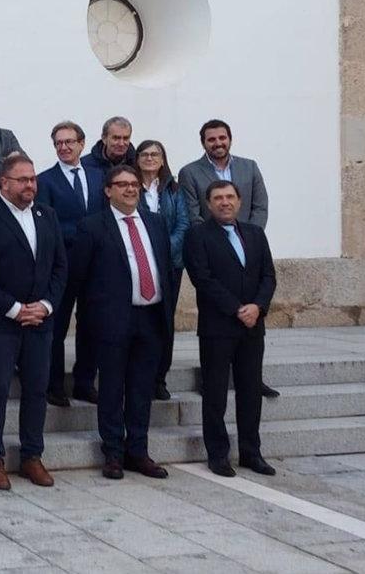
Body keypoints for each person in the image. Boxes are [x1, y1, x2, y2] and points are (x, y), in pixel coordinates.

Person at [0, 154, 67, 491]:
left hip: (40, 319)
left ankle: (31, 456)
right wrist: (13, 308)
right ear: (4, 183)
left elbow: (60, 267)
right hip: (0, 322)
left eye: (33, 179)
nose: (30, 185)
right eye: (22, 180)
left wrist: (47, 305)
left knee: (37, 389)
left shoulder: (46, 214)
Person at [71, 166, 178, 481]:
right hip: (112, 321)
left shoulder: (156, 223)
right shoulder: (92, 226)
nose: (130, 189)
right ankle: (114, 453)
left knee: (142, 389)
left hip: (151, 317)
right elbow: (80, 277)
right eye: (122, 185)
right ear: (108, 190)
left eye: (134, 184)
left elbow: (165, 268)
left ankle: (138, 451)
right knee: (112, 388)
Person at [178, 118, 277, 398]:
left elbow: (260, 205)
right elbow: (193, 213)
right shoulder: (190, 172)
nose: (218, 143)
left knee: (251, 324)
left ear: (229, 139)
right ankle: (212, 378)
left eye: (222, 138)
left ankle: (252, 380)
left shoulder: (250, 167)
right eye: (212, 139)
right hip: (212, 253)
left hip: (249, 250)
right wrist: (214, 243)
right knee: (219, 320)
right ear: (204, 143)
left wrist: (250, 238)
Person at [185, 180, 277, 478]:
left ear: (239, 201)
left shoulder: (254, 233)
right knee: (215, 393)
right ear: (208, 204)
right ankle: (218, 454)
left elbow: (268, 275)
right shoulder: (197, 235)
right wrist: (237, 309)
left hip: (252, 327)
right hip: (218, 326)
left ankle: (252, 452)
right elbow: (203, 278)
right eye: (217, 198)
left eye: (230, 197)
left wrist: (257, 307)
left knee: (250, 392)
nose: (225, 202)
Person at [35, 121, 105, 408]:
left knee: (92, 325)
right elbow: (46, 223)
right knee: (57, 326)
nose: (64, 147)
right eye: (58, 143)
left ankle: (85, 382)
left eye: (69, 142)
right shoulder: (45, 180)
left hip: (96, 265)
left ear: (82, 144)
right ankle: (54, 385)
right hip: (62, 264)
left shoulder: (99, 176)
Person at [134, 139, 189, 400]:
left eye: (155, 154)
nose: (149, 158)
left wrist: (162, 249)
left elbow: (183, 224)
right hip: (138, 261)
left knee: (164, 322)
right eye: (144, 154)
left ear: (163, 158)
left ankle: (159, 377)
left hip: (169, 264)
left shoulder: (174, 189)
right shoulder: (130, 186)